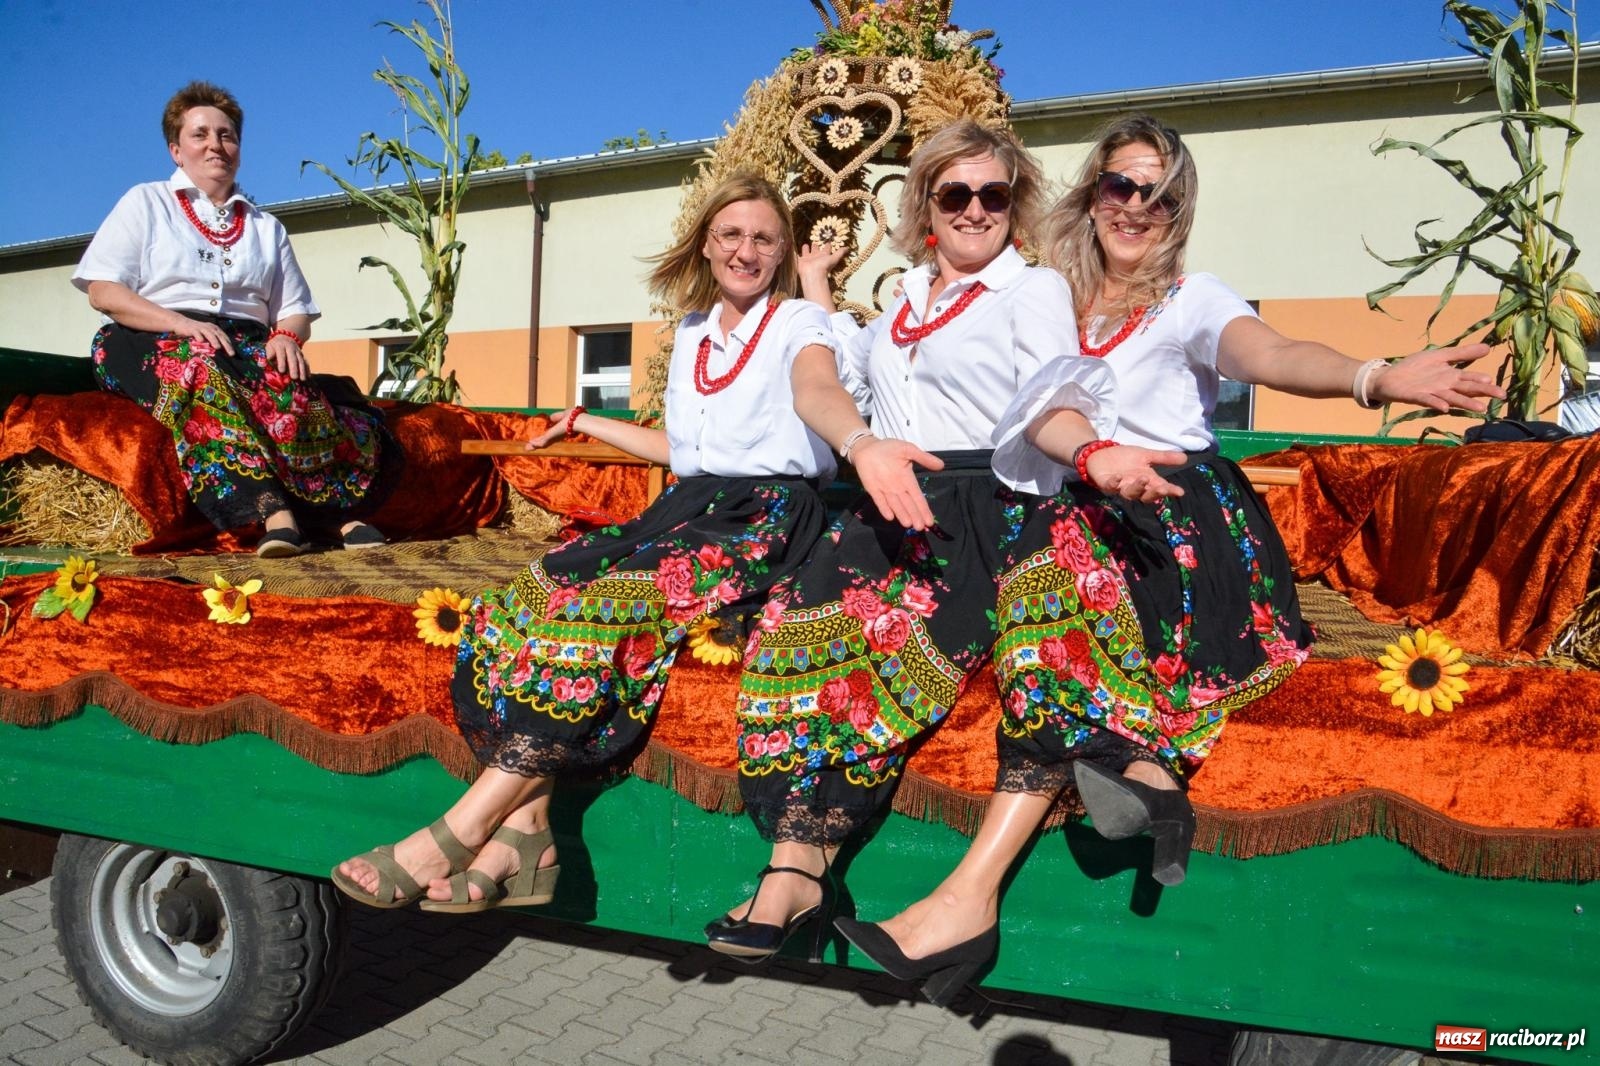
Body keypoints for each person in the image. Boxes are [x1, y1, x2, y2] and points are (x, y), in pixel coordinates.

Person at [832, 113, 1504, 1006]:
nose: (1138, 206)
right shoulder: (1038, 296)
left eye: (1161, 191)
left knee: (1049, 619)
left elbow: (1266, 351)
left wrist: (1371, 377)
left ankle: (972, 896)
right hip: (1077, 507)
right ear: (1092, 193)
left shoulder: (1191, 299)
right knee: (1033, 601)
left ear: (1179, 208)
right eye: (1121, 184)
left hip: (1176, 513)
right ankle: (1144, 776)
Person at [332, 172, 883, 911]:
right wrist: (587, 422)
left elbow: (818, 390)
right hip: (694, 505)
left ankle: (467, 824)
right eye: (731, 235)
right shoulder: (692, 334)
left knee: (602, 611)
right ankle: (527, 829)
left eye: (762, 238)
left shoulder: (797, 326)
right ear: (706, 244)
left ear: (782, 251)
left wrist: (859, 438)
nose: (745, 251)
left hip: (769, 520)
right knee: (525, 593)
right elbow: (686, 453)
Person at [704, 120, 1123, 963]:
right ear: (926, 202)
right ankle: (795, 865)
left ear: (1015, 204)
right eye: (954, 193)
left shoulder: (1030, 290)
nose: (975, 210)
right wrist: (819, 294)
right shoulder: (903, 298)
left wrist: (1090, 450)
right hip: (887, 497)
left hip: (983, 502)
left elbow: (1049, 400)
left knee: (893, 650)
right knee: (796, 637)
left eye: (993, 195)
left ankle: (804, 869)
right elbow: (853, 386)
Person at [71, 81, 393, 558]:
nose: (215, 145)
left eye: (226, 135)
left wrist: (285, 336)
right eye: (200, 135)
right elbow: (103, 291)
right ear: (176, 150)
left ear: (238, 149)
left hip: (243, 343)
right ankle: (274, 514)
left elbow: (296, 307)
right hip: (148, 335)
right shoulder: (146, 202)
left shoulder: (266, 226)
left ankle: (335, 513)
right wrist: (178, 324)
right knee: (199, 364)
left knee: (290, 385)